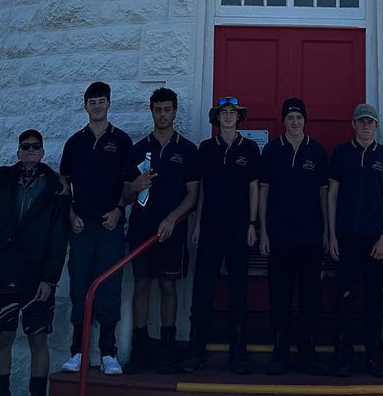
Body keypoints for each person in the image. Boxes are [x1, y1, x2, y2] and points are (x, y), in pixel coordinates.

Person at [0, 129, 70, 396]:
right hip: (3, 272)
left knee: (38, 338)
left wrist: (50, 278)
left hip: (36, 275)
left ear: (42, 152)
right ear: (18, 151)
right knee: (3, 337)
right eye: (25, 146)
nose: (30, 151)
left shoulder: (55, 188)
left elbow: (59, 237)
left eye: (35, 147)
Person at [58, 81, 139, 376]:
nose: (97, 106)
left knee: (109, 287)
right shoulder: (74, 142)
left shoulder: (122, 141)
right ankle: (78, 351)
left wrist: (119, 210)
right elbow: (63, 184)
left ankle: (108, 352)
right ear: (85, 105)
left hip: (110, 227)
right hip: (81, 228)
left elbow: (130, 185)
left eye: (101, 101)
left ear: (109, 104)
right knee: (79, 286)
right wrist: (70, 215)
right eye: (92, 102)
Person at [182, 96, 260, 375]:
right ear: (217, 118)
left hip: (239, 228)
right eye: (223, 112)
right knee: (202, 291)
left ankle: (238, 354)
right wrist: (198, 225)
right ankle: (196, 351)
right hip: (210, 228)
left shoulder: (250, 148)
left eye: (232, 112)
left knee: (238, 292)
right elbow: (202, 188)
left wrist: (252, 223)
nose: (228, 116)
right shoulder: (205, 148)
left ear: (239, 117)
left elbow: (254, 187)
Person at [126, 88, 199, 374]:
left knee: (168, 286)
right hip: (141, 228)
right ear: (152, 111)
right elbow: (124, 195)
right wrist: (134, 187)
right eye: (158, 110)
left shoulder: (187, 150)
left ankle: (168, 348)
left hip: (173, 230)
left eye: (168, 109)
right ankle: (140, 348)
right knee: (142, 285)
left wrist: (172, 219)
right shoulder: (137, 149)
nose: (163, 114)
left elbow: (193, 195)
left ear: (175, 111)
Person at [258, 96, 329, 374]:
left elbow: (324, 194)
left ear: (305, 120)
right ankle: (280, 353)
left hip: (311, 238)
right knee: (280, 298)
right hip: (279, 236)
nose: (295, 122)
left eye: (299, 117)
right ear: (284, 121)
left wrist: (328, 231)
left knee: (310, 299)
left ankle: (307, 353)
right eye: (290, 118)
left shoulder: (318, 151)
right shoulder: (272, 151)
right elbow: (263, 191)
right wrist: (263, 230)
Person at [326, 104, 383, 379]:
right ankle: (342, 359)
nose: (366, 126)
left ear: (376, 126)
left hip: (375, 239)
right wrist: (331, 234)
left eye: (370, 122)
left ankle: (375, 358)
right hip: (346, 236)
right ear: (353, 124)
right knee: (345, 297)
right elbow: (331, 195)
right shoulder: (341, 153)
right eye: (361, 122)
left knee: (374, 299)